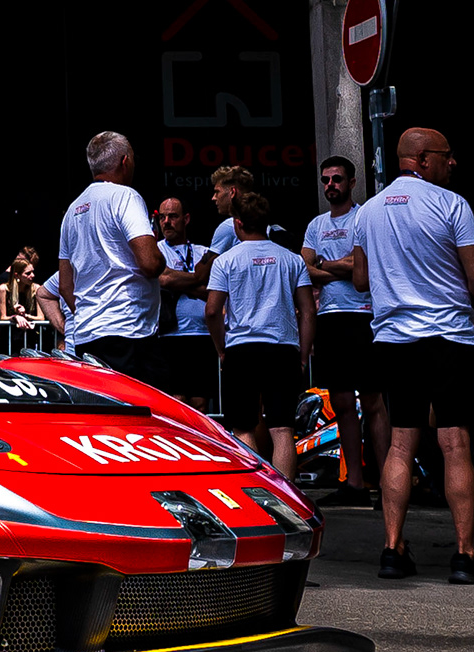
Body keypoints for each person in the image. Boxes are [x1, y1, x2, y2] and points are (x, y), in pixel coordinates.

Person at [357, 124, 474, 581]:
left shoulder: (369, 211)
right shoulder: (452, 205)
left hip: (394, 339)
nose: (453, 163)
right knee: (454, 441)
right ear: (422, 159)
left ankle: (392, 550)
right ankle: (464, 555)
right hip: (449, 336)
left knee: (400, 442)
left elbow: (360, 279)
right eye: (447, 155)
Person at [55, 131, 170, 387]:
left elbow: (65, 286)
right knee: (146, 414)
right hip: (129, 331)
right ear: (125, 161)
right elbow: (150, 263)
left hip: (87, 335)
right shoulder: (125, 197)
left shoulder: (72, 210)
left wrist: (93, 311)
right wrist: (160, 256)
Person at [207, 192, 311, 473]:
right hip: (283, 348)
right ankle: (289, 503)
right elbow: (308, 310)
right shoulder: (292, 260)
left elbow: (212, 311)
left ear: (237, 223)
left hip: (241, 350)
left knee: (243, 428)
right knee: (282, 430)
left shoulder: (225, 261)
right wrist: (302, 354)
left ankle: (256, 494)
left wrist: (221, 349)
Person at [300, 156, 378, 499]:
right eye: (326, 180)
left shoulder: (364, 217)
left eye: (337, 179)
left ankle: (388, 478)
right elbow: (304, 268)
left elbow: (364, 264)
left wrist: (325, 265)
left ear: (352, 182)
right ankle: (355, 482)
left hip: (363, 315)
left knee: (374, 401)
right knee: (343, 402)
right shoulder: (316, 224)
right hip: (330, 317)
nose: (331, 185)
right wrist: (343, 265)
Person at [148, 194, 214, 403]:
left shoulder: (202, 252)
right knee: (176, 401)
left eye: (173, 216)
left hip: (203, 335)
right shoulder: (156, 251)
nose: (166, 222)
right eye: (162, 217)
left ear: (186, 219)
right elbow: (164, 279)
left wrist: (181, 284)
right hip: (169, 336)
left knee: (200, 403)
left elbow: (214, 290)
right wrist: (197, 279)